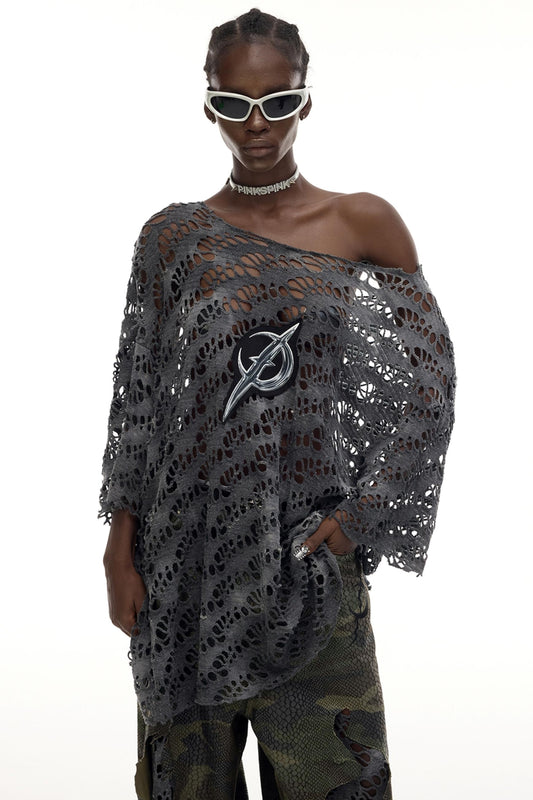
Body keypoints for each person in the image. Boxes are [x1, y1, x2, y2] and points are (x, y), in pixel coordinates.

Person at [100, 8, 456, 800]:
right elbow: (139, 405)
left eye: (277, 101)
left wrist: (362, 513)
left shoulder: (360, 220)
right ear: (209, 106)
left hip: (309, 561)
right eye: (233, 103)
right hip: (184, 565)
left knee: (338, 782)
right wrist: (119, 548)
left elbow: (428, 387)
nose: (256, 123)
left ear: (304, 99)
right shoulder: (171, 239)